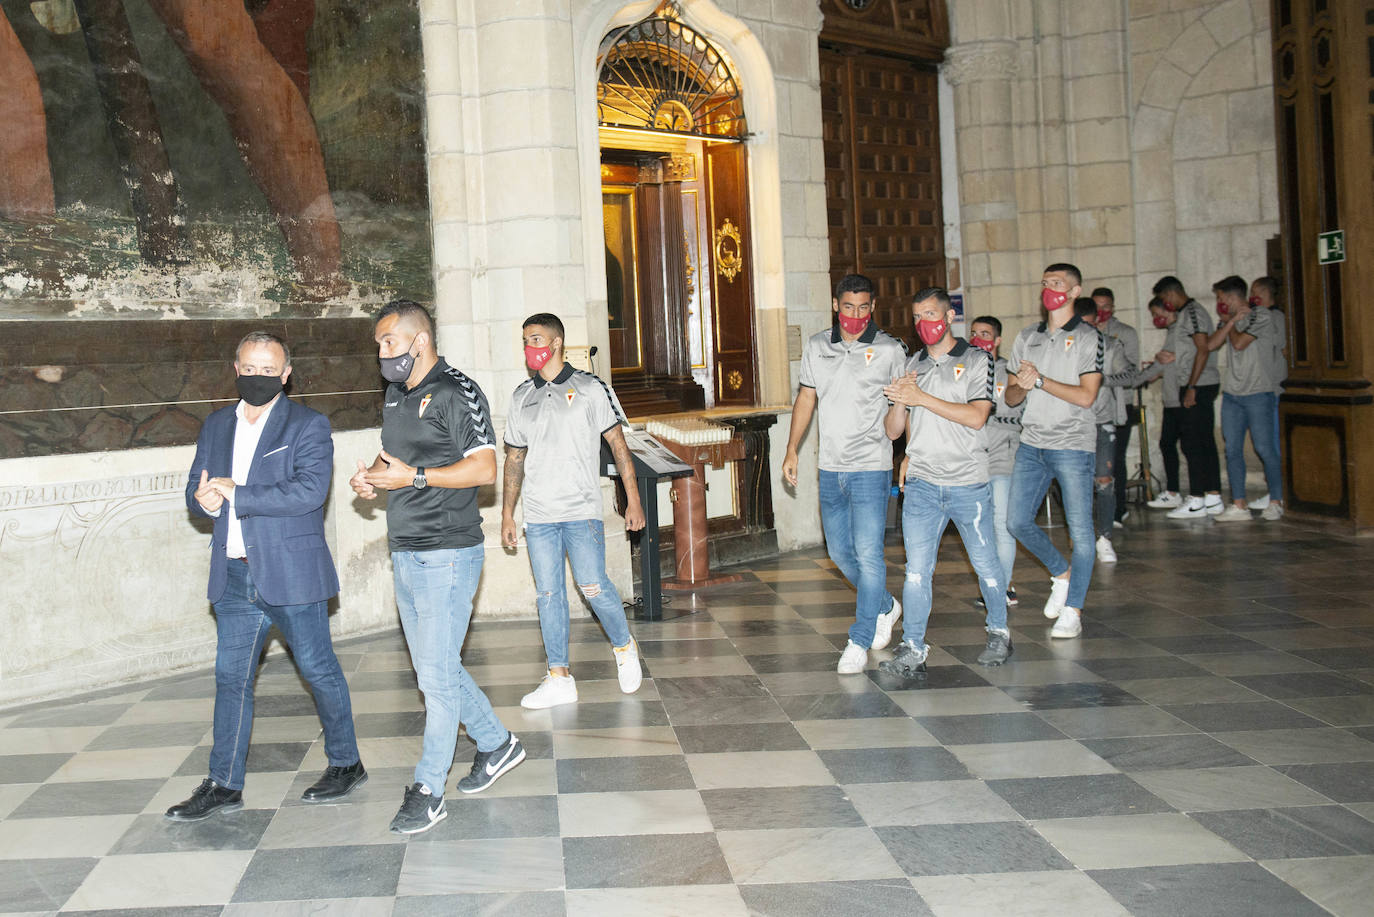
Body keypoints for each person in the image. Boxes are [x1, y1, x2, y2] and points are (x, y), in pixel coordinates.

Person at [168, 331, 365, 822]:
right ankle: (223, 783)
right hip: (233, 576)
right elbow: (199, 483)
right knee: (230, 679)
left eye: (268, 369)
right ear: (237, 370)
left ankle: (346, 762)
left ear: (286, 373)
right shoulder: (215, 425)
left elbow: (309, 493)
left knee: (318, 670)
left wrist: (238, 491)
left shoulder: (308, 425)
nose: (258, 377)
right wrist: (202, 499)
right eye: (249, 369)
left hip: (291, 574)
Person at [350, 300, 524, 835]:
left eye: (389, 343)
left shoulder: (457, 391)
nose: (382, 353)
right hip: (406, 547)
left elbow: (485, 469)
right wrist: (374, 478)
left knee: (436, 677)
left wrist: (415, 479)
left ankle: (428, 788)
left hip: (448, 551)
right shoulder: (395, 395)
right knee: (435, 670)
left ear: (419, 340)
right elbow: (392, 458)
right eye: (379, 345)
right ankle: (497, 744)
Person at [502, 313, 647, 707]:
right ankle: (559, 676)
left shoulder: (589, 388)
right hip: (539, 515)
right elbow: (514, 459)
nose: (530, 347)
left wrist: (632, 499)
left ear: (556, 343)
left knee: (592, 585)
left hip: (581, 509)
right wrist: (507, 513)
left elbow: (619, 446)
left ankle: (623, 646)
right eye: (525, 340)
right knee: (548, 594)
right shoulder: (521, 397)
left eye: (535, 339)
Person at [880, 288, 1011, 675]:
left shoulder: (976, 360)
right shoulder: (912, 364)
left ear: (950, 316)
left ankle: (999, 631)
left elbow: (976, 417)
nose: (925, 324)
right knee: (917, 570)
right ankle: (913, 647)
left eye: (931, 314)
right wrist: (903, 399)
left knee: (985, 564)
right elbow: (892, 432)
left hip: (967, 482)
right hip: (921, 483)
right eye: (918, 317)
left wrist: (920, 396)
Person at [783, 274, 908, 674]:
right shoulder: (818, 345)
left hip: (870, 466)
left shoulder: (890, 349)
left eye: (864, 307)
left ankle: (859, 638)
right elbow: (806, 397)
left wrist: (907, 451)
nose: (856, 315)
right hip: (830, 465)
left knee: (869, 555)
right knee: (839, 553)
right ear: (836, 305)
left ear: (873, 308)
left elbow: (905, 409)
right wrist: (792, 449)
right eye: (849, 306)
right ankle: (886, 604)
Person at [1003, 263, 1104, 640]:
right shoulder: (1028, 336)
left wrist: (1042, 380)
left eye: (1057, 283)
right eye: (1045, 283)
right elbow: (1011, 397)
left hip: (1072, 445)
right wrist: (1024, 386)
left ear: (1075, 291)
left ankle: (1073, 608)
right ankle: (1061, 574)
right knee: (1016, 521)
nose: (1050, 289)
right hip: (1033, 443)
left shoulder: (1088, 338)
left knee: (1080, 529)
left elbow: (1086, 395)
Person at [1205, 276, 1285, 522]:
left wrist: (1232, 323)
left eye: (1220, 298)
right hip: (1233, 395)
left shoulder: (1262, 316)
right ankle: (1239, 504)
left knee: (1264, 448)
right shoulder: (1230, 320)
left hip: (1258, 392)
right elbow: (1210, 345)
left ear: (1230, 297)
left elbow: (1239, 344)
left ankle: (1277, 500)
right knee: (1232, 449)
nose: (1219, 303)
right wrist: (1229, 323)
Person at [1152, 276, 1223, 518]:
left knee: (1193, 443)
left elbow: (1202, 349)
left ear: (1171, 294)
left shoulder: (1193, 312)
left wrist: (1192, 386)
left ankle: (1196, 499)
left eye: (1164, 299)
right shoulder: (1185, 314)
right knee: (1203, 441)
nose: (1165, 304)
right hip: (1193, 382)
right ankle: (1213, 497)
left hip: (1198, 383)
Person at [1078, 298, 1136, 564]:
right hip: (1071, 425)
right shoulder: (1063, 347)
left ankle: (1105, 537)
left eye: (1090, 324)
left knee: (1104, 480)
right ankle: (1081, 538)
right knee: (1076, 485)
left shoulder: (1110, 346)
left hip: (1102, 421)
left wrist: (1104, 380)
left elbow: (1131, 375)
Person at [970, 315, 1021, 607]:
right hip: (974, 460)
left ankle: (1003, 587)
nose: (979, 338)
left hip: (1004, 458)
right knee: (981, 528)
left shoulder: (1008, 373)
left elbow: (1014, 412)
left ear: (997, 340)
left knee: (1002, 526)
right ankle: (993, 584)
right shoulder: (967, 369)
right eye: (974, 333)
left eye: (985, 334)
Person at [1090, 288, 1139, 525]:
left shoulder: (1124, 334)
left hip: (1119, 404)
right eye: (1097, 307)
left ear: (1113, 308)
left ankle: (1118, 509)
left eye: (1106, 306)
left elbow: (1130, 372)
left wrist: (1103, 380)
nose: (1102, 312)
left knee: (1114, 459)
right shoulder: (1083, 333)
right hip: (1091, 407)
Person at [1140, 297, 1187, 509]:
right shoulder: (1172, 331)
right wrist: (1151, 372)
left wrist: (1167, 360)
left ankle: (1193, 493)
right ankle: (1173, 491)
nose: (1156, 318)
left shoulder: (1182, 328)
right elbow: (1164, 361)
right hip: (1171, 398)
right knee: (1167, 444)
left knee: (1187, 446)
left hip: (1181, 397)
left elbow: (1183, 356)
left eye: (1156, 313)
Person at [1249, 275, 1287, 511]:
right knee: (1266, 444)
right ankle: (1274, 490)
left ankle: (1279, 495)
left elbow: (1278, 344)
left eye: (1253, 292)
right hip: (1264, 386)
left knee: (1272, 444)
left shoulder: (1275, 316)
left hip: (1274, 387)